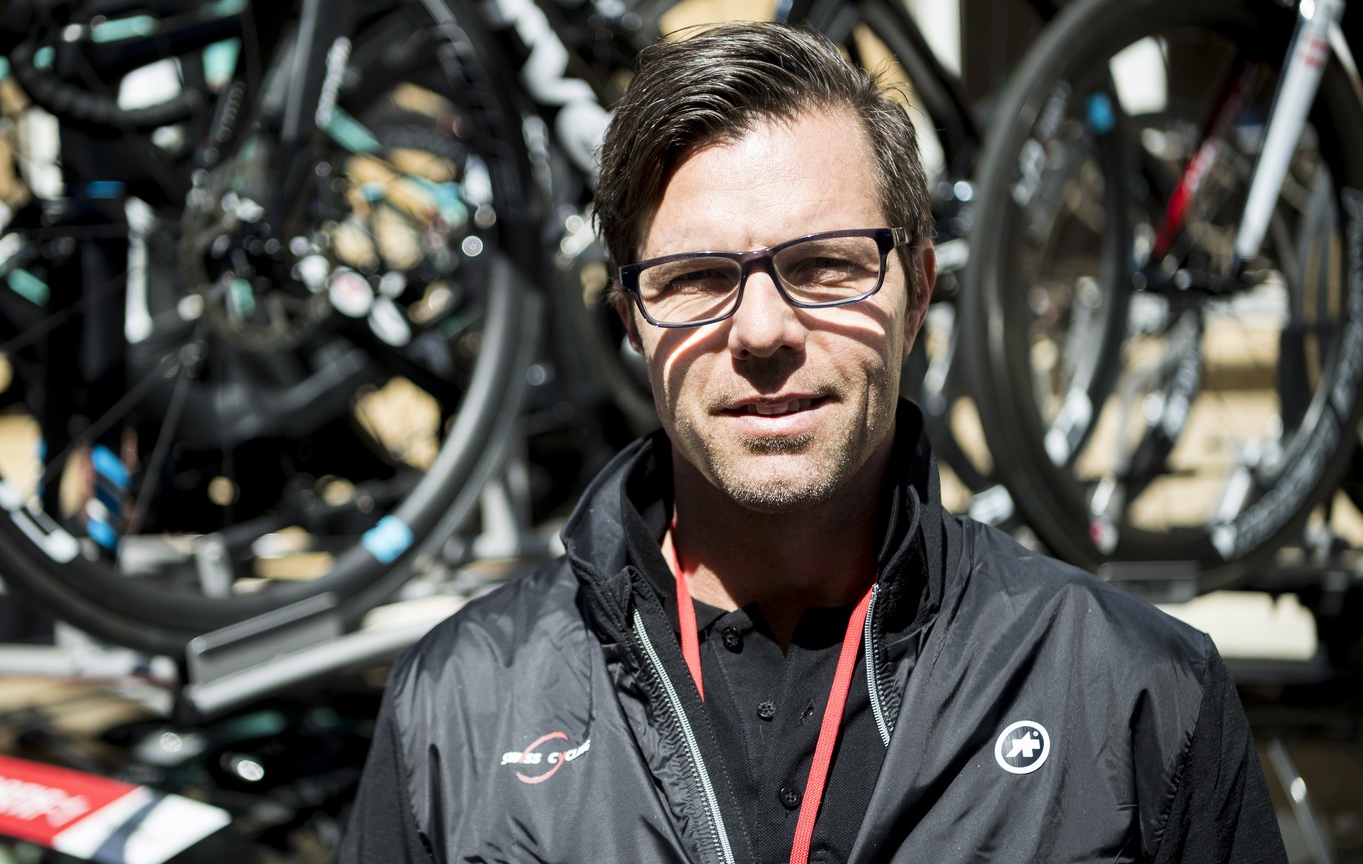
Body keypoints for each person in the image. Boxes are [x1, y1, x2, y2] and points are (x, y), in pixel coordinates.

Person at [342, 21, 1285, 863]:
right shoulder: (456, 710)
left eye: (825, 266)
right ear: (631, 319)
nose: (761, 331)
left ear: (917, 291)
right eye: (698, 276)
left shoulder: (1134, 695)